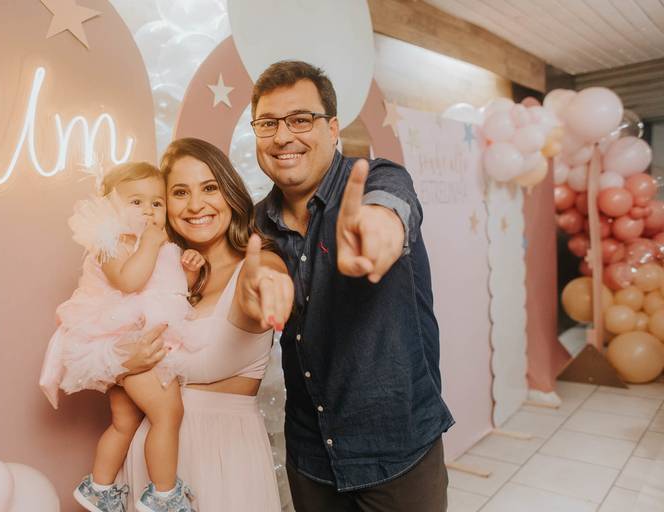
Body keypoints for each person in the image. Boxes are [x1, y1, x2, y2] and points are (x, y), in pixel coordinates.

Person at [250, 61, 455, 511]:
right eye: (268, 123)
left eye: (300, 119)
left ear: (332, 128)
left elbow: (390, 208)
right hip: (310, 457)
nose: (282, 136)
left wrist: (377, 232)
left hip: (398, 453)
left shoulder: (379, 178)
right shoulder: (260, 220)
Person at [121, 138, 292, 512]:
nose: (196, 205)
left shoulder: (257, 263)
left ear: (230, 193)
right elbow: (97, 338)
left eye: (210, 188)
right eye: (180, 192)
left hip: (222, 459)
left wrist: (267, 285)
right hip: (149, 465)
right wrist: (122, 363)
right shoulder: (158, 272)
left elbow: (263, 279)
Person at [39, 161, 209, 512]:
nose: (148, 211)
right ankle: (164, 495)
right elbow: (129, 282)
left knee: (125, 422)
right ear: (111, 207)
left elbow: (168, 291)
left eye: (156, 203)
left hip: (135, 338)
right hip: (124, 339)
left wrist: (189, 273)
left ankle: (99, 488)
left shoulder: (159, 245)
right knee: (168, 414)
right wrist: (150, 244)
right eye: (136, 202)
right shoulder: (111, 242)